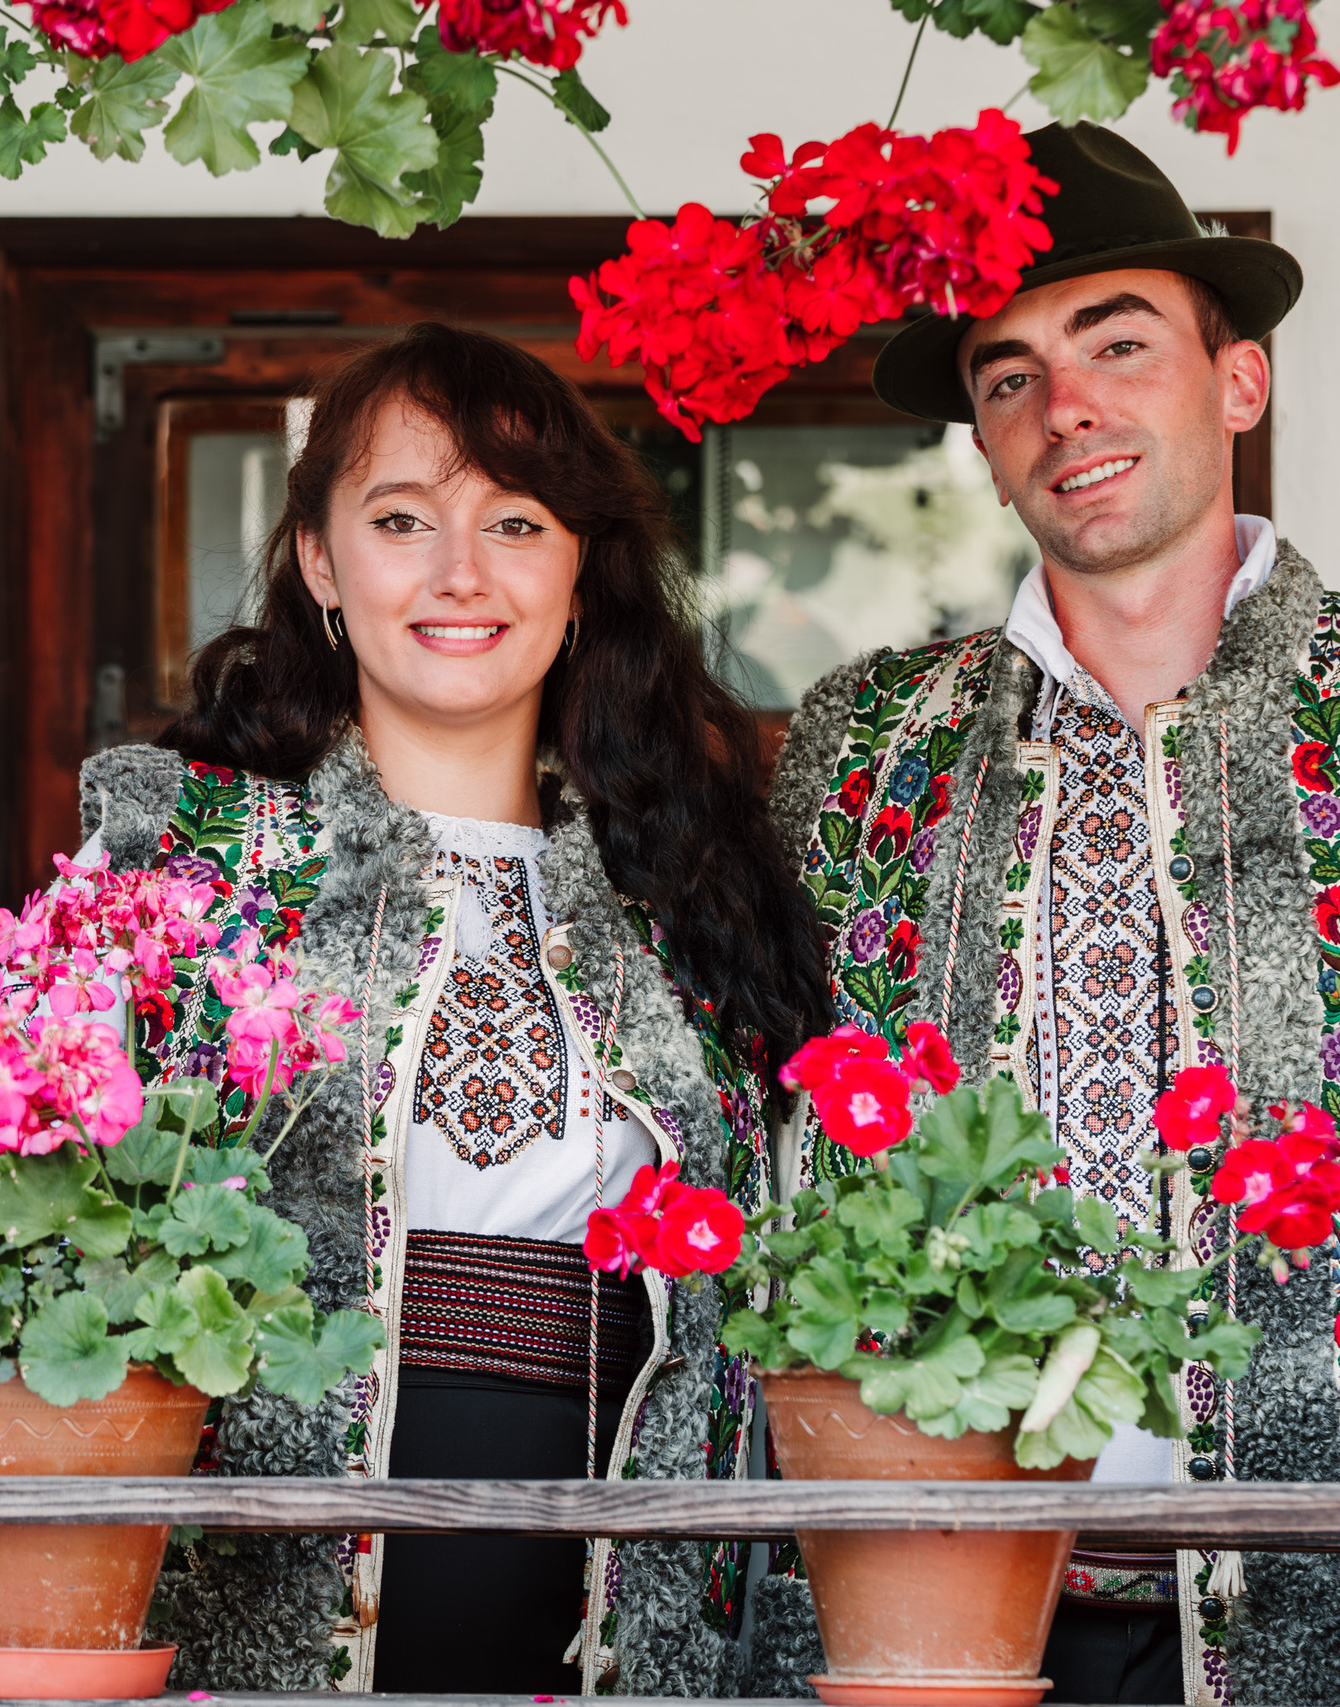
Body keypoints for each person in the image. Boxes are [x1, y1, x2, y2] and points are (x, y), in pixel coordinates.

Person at [767, 123, 1340, 1707]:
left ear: (1238, 382)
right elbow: (779, 1180)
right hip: (949, 1622)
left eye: (1118, 344)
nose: (1068, 409)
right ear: (984, 446)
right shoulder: (861, 749)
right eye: (1010, 377)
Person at [78, 322, 830, 1696]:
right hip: (261, 1585)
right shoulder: (182, 859)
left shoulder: (692, 898)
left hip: (631, 1588)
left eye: (517, 523)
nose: (460, 575)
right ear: (320, 558)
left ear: (580, 570)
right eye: (402, 520)